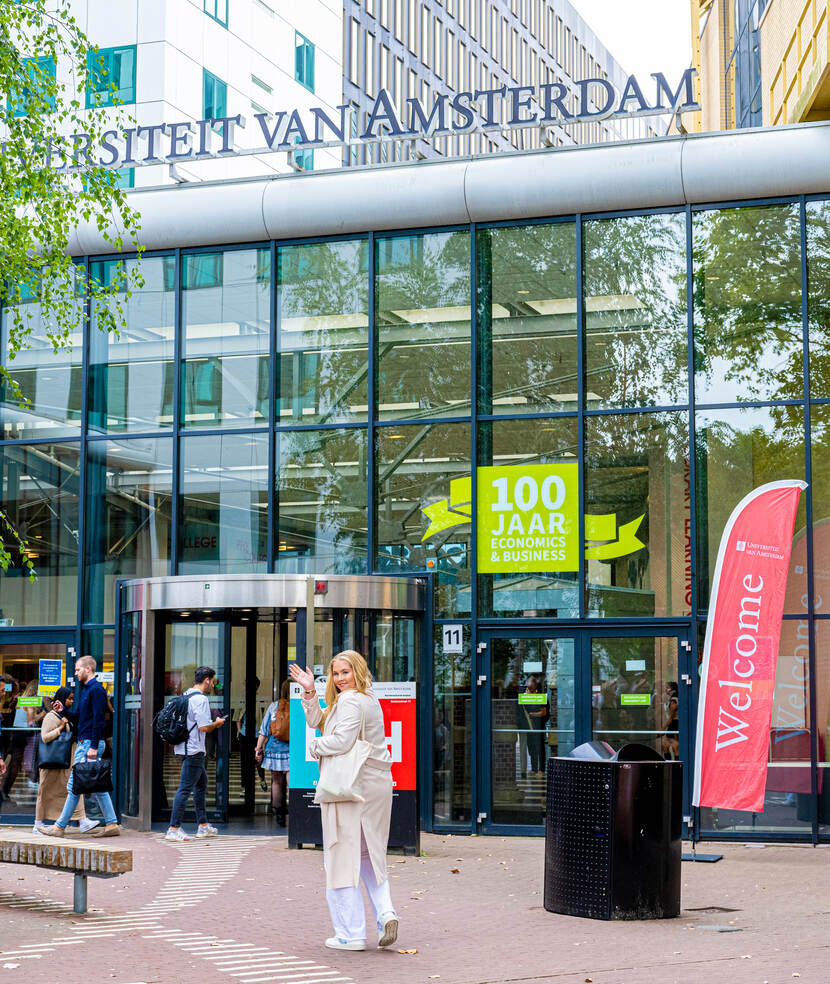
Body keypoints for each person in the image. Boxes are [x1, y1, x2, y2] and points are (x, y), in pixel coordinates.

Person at [289, 650, 399, 953]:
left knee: (339, 857)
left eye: (345, 672)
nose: (339, 679)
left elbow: (340, 740)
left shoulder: (350, 701)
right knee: (369, 854)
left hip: (349, 786)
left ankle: (350, 934)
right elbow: (320, 721)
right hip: (376, 783)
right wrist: (310, 691)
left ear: (358, 671)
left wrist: (314, 745)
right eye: (336, 674)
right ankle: (386, 912)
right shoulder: (370, 699)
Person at [43, 657, 121, 838]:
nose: (75, 673)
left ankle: (59, 827)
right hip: (86, 743)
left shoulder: (96, 690)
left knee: (74, 786)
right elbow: (78, 718)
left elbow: (99, 721)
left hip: (88, 744)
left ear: (88, 669)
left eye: (78, 670)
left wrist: (93, 746)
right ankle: (111, 824)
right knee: (98, 788)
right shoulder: (86, 690)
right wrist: (62, 710)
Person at [165, 665, 227, 842]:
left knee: (201, 785)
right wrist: (217, 723)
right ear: (207, 680)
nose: (213, 685)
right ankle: (174, 828)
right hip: (193, 750)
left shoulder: (185, 695)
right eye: (212, 682)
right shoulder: (200, 699)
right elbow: (203, 727)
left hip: (183, 747)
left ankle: (203, 825)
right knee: (185, 789)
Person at [34, 687, 98, 835]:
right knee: (45, 792)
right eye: (69, 698)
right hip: (52, 763)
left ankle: (83, 820)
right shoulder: (51, 717)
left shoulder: (63, 715)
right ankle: (37, 824)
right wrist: (61, 727)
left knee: (75, 788)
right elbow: (45, 737)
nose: (71, 701)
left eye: (72, 698)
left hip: (66, 762)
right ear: (61, 699)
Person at [254, 679, 290, 826]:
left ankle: (279, 814)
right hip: (293, 749)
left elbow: (264, 730)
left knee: (276, 782)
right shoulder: (301, 705)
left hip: (274, 748)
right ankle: (296, 813)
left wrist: (258, 749)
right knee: (292, 782)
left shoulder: (274, 706)